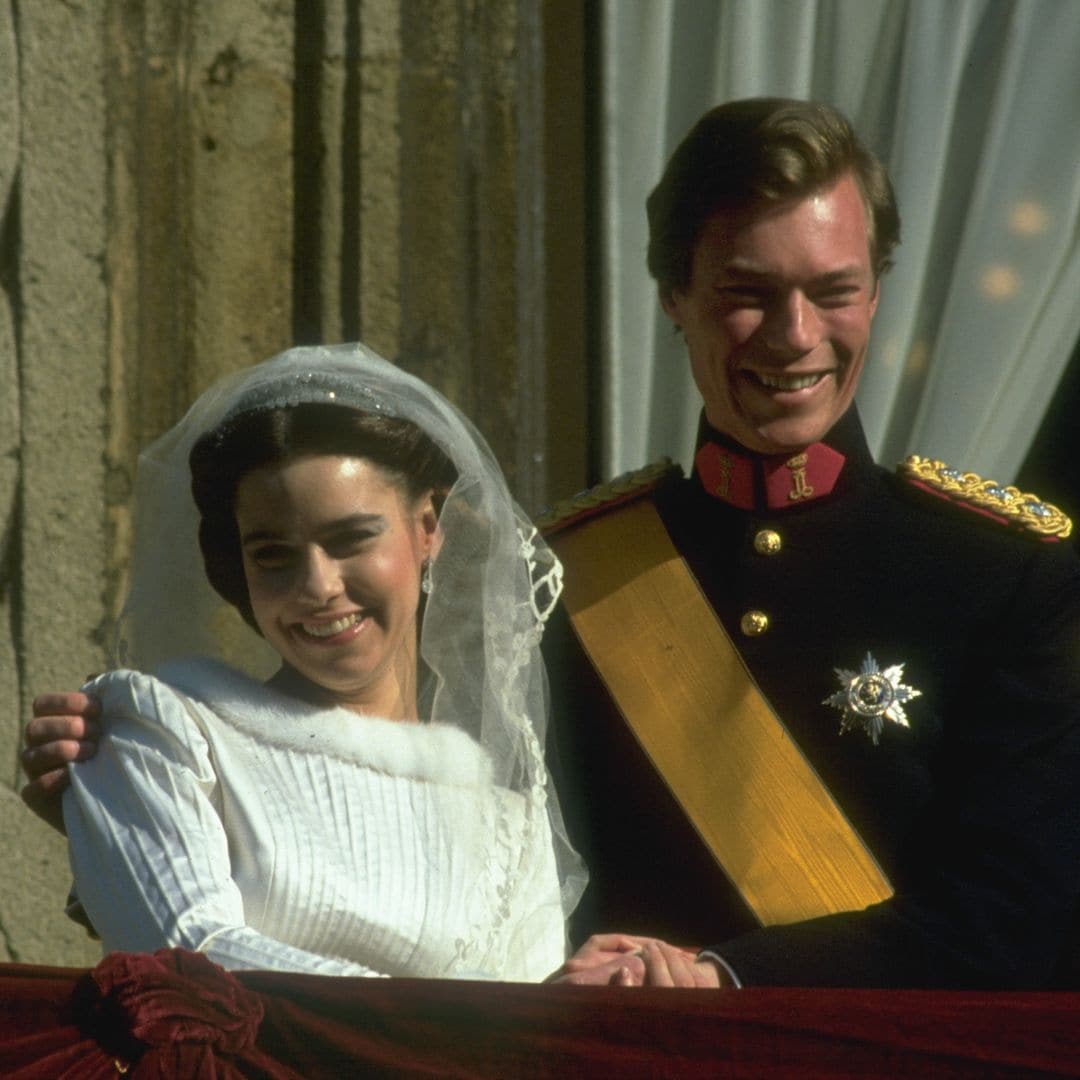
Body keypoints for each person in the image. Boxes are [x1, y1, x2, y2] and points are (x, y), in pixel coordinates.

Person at [25, 99, 1080, 991]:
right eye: (747, 294)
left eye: (831, 291)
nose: (796, 336)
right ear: (674, 298)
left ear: (876, 293)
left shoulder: (1003, 572)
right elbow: (381, 820)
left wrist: (724, 978)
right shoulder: (566, 576)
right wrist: (140, 787)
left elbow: (1026, 915)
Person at [23, 342, 584, 980]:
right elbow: (188, 959)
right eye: (273, 554)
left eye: (351, 539)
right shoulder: (166, 735)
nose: (317, 585)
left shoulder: (507, 824)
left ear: (428, 527)